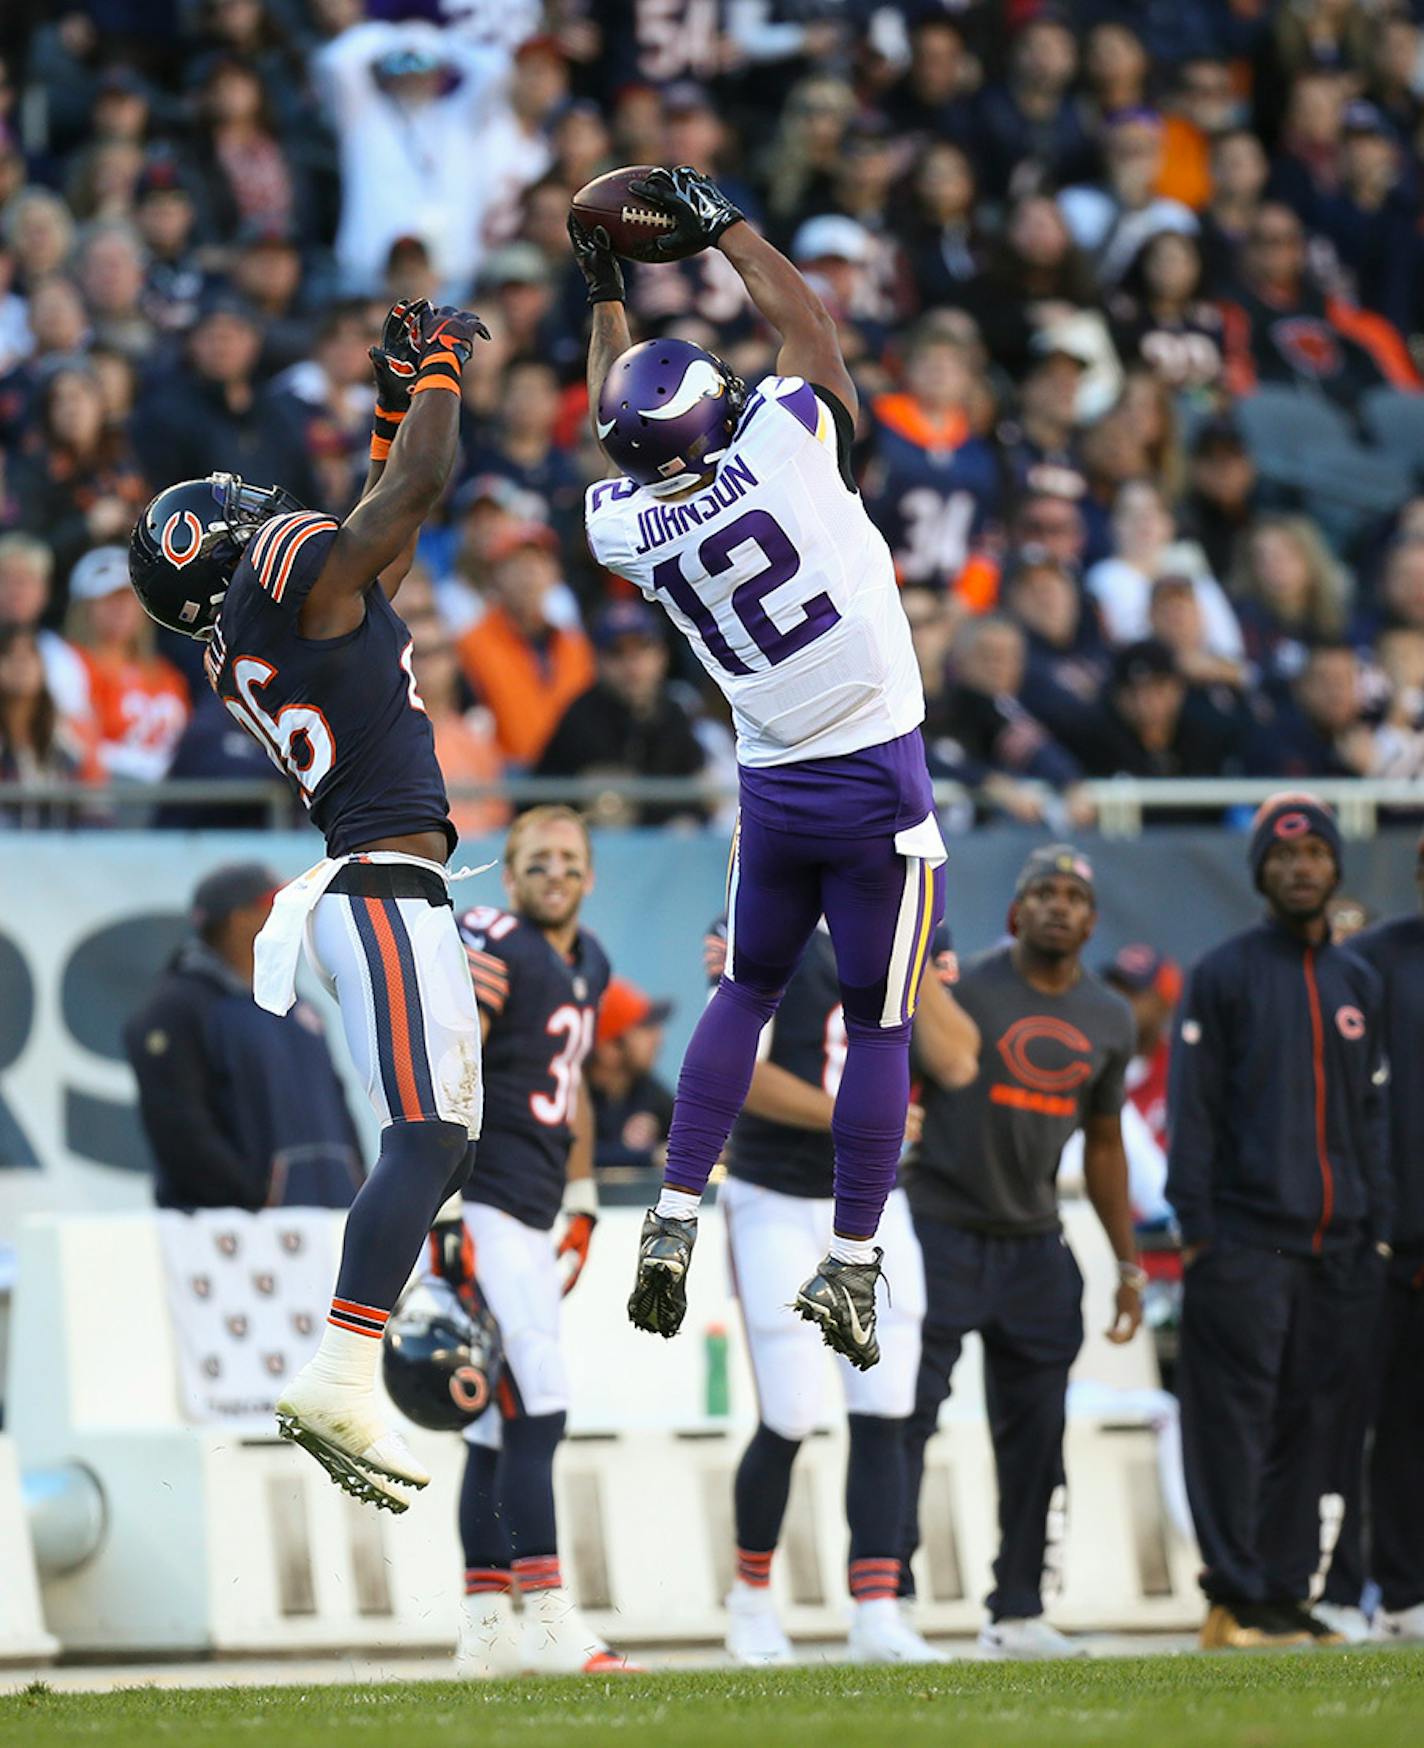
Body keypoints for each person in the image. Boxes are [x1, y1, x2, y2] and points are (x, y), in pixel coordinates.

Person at [577, 165, 947, 1367]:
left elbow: (609, 419)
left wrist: (605, 293)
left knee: (741, 993)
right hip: (876, 779)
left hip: (774, 787)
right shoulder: (788, 445)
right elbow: (808, 327)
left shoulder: (623, 524)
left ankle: (674, 1210)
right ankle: (851, 1257)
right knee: (878, 1026)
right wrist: (724, 221)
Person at [127, 296, 490, 1513]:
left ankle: (352, 1352)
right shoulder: (279, 573)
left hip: (389, 886)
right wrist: (435, 370)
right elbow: (416, 489)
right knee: (429, 1139)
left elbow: (379, 507)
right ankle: (339, 1367)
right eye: (237, 512)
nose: (260, 508)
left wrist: (391, 391)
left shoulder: (257, 617)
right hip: (378, 885)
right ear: (222, 545)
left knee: (447, 1141)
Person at [899, 846, 1145, 1660]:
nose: (1058, 905)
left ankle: (1018, 1608)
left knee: (1038, 1434)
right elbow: (895, 1084)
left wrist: (1128, 1262)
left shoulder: (1110, 1016)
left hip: (1038, 1241)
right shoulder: (963, 990)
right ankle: (885, 1600)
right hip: (939, 1226)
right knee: (906, 1420)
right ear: (1015, 912)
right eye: (1042, 891)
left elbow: (1106, 1142)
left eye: (1074, 895)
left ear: (1092, 920)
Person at [717, 914, 979, 1666]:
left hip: (872, 1199)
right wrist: (856, 1116)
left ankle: (877, 1610)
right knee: (792, 1411)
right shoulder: (757, 919)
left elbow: (959, 1061)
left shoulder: (904, 928)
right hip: (776, 1193)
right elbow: (736, 1068)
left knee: (886, 1409)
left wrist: (908, 947)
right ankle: (751, 1599)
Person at [1167, 794, 1391, 1650]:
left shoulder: (1356, 980)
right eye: (1284, 858)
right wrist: (1198, 1233)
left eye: (1316, 856)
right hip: (1243, 1243)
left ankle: (1287, 1588)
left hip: (1339, 1248)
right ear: (1261, 870)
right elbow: (1197, 1114)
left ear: (1335, 868)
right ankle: (1233, 1592)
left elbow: (1371, 1122)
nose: (1302, 870)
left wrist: (1374, 1224)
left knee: (1312, 1423)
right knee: (1232, 1421)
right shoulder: (1223, 972)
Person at [435, 807, 633, 1678]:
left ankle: (485, 1629)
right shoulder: (493, 937)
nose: (555, 872)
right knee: (535, 1408)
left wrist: (583, 1199)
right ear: (509, 878)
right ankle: (548, 1618)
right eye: (537, 860)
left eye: (570, 860)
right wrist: (440, 1210)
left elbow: (576, 1081)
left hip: (534, 1207)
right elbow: (450, 1063)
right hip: (483, 1200)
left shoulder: (587, 961)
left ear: (590, 876)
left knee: (491, 1429)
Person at [1315, 837, 1424, 1645]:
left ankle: (1399, 1590)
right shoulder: (1374, 961)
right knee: (1359, 1415)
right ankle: (1348, 1590)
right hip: (1385, 1234)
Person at [124, 863, 364, 1211]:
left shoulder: (299, 1009)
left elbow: (337, 1106)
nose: (289, 916)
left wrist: (356, 1186)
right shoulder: (176, 1008)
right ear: (239, 919)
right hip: (230, 1236)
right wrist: (252, 1198)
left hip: (325, 1224)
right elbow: (178, 1125)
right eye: (274, 905)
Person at [535, 599, 709, 827]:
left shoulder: (673, 713)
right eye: (616, 652)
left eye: (642, 649)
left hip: (665, 848)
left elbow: (698, 795)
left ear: (661, 655)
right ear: (597, 660)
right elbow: (541, 798)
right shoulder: (579, 716)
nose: (632, 664)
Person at [587, 977, 675, 1178]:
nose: (658, 1038)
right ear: (609, 1049)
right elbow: (575, 1154)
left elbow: (688, 1133)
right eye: (644, 1028)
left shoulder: (646, 1088)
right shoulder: (572, 1094)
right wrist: (649, 1157)